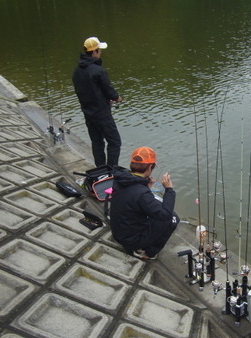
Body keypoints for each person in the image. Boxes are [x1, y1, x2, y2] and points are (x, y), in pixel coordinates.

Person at [110, 147, 179, 261]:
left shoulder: (120, 179)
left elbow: (132, 197)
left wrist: (146, 186)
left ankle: (139, 244)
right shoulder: (142, 193)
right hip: (131, 239)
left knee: (157, 209)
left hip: (119, 232)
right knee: (173, 218)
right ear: (150, 167)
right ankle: (148, 252)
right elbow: (165, 214)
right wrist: (169, 189)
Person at [72, 36, 123, 167]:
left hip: (88, 113)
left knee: (97, 142)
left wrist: (106, 99)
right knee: (114, 141)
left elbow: (87, 91)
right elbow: (108, 90)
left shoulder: (77, 71)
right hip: (102, 114)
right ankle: (112, 171)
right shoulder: (98, 71)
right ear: (94, 52)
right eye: (99, 51)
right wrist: (117, 98)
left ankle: (100, 170)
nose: (100, 53)